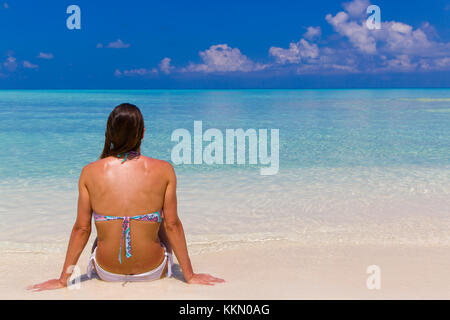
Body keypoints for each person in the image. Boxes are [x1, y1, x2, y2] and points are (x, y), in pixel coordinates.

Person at [27, 103, 224, 291]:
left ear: (110, 133)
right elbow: (172, 226)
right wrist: (189, 275)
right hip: (154, 270)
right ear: (143, 133)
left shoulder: (89, 172)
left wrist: (63, 280)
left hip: (106, 272)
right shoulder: (164, 170)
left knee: (104, 226)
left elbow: (82, 228)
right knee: (163, 218)